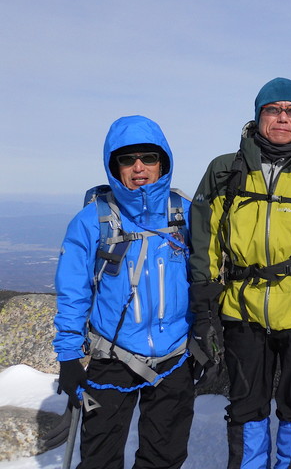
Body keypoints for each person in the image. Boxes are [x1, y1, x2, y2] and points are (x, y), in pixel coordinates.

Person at [189, 77, 291, 469]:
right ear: (258, 116)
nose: (282, 118)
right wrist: (205, 310)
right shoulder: (225, 170)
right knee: (246, 404)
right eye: (273, 110)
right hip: (241, 309)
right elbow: (204, 241)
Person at [53, 115, 195, 469]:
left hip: (175, 355)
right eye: (127, 160)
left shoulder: (185, 214)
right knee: (100, 458)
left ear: (163, 161)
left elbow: (205, 277)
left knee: (164, 458)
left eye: (148, 158)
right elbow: (73, 291)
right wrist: (69, 356)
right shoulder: (91, 221)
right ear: (113, 166)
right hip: (111, 358)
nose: (139, 168)